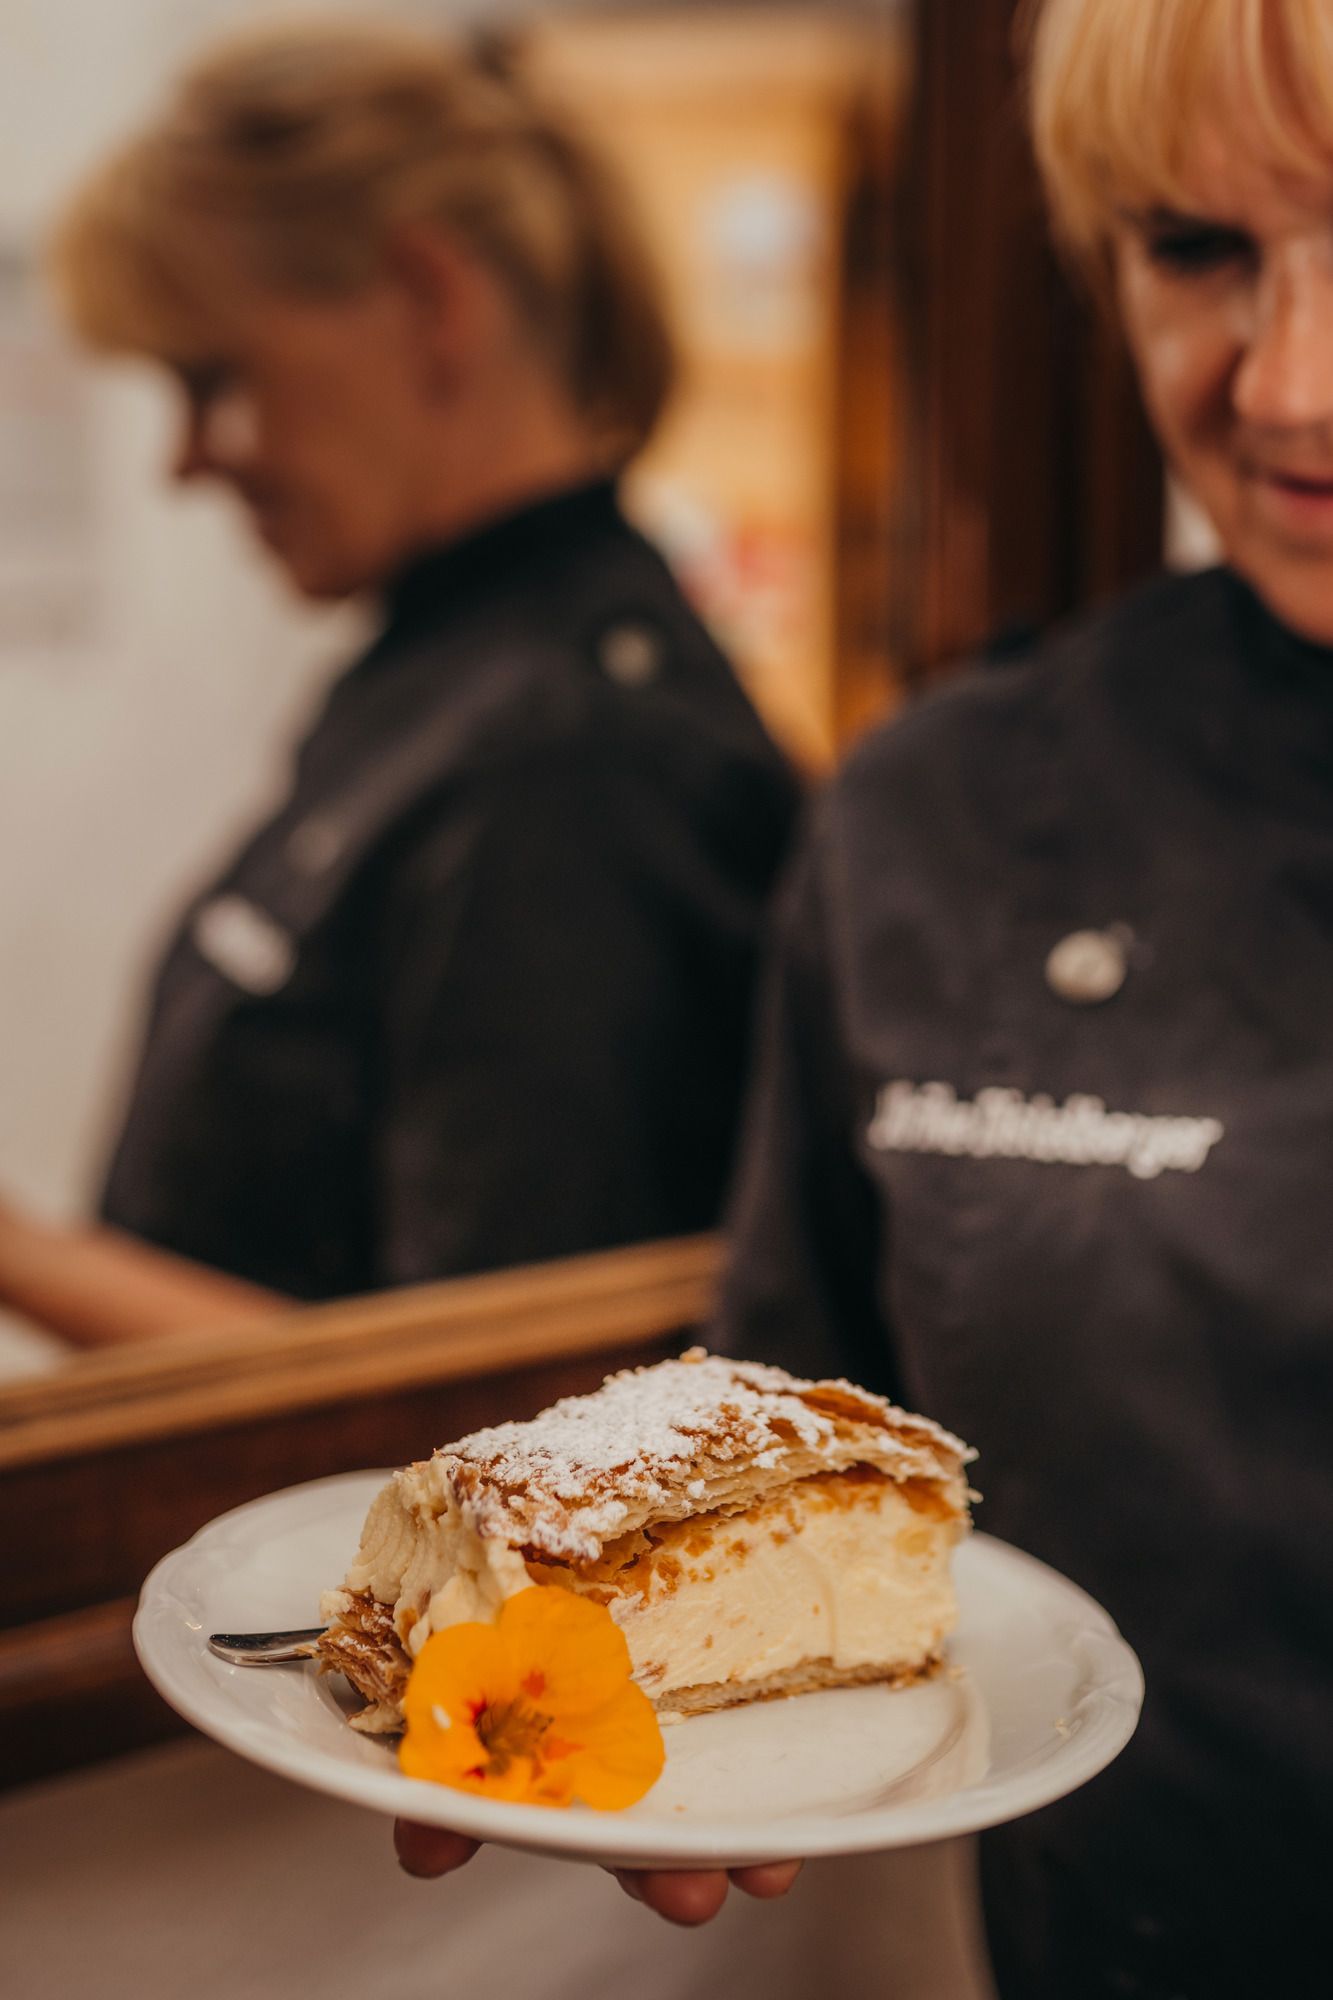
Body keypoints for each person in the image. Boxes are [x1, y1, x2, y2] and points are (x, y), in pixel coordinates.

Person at [398, 0, 1333, 1981]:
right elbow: (784, 1430)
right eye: (1195, 248)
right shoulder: (948, 813)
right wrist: (555, 1676)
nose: (1290, 380)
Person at [0, 21, 798, 1349]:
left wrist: (20, 1257)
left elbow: (483, 1425)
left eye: (217, 381)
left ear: (431, 297)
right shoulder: (440, 680)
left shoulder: (575, 762)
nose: (188, 461)